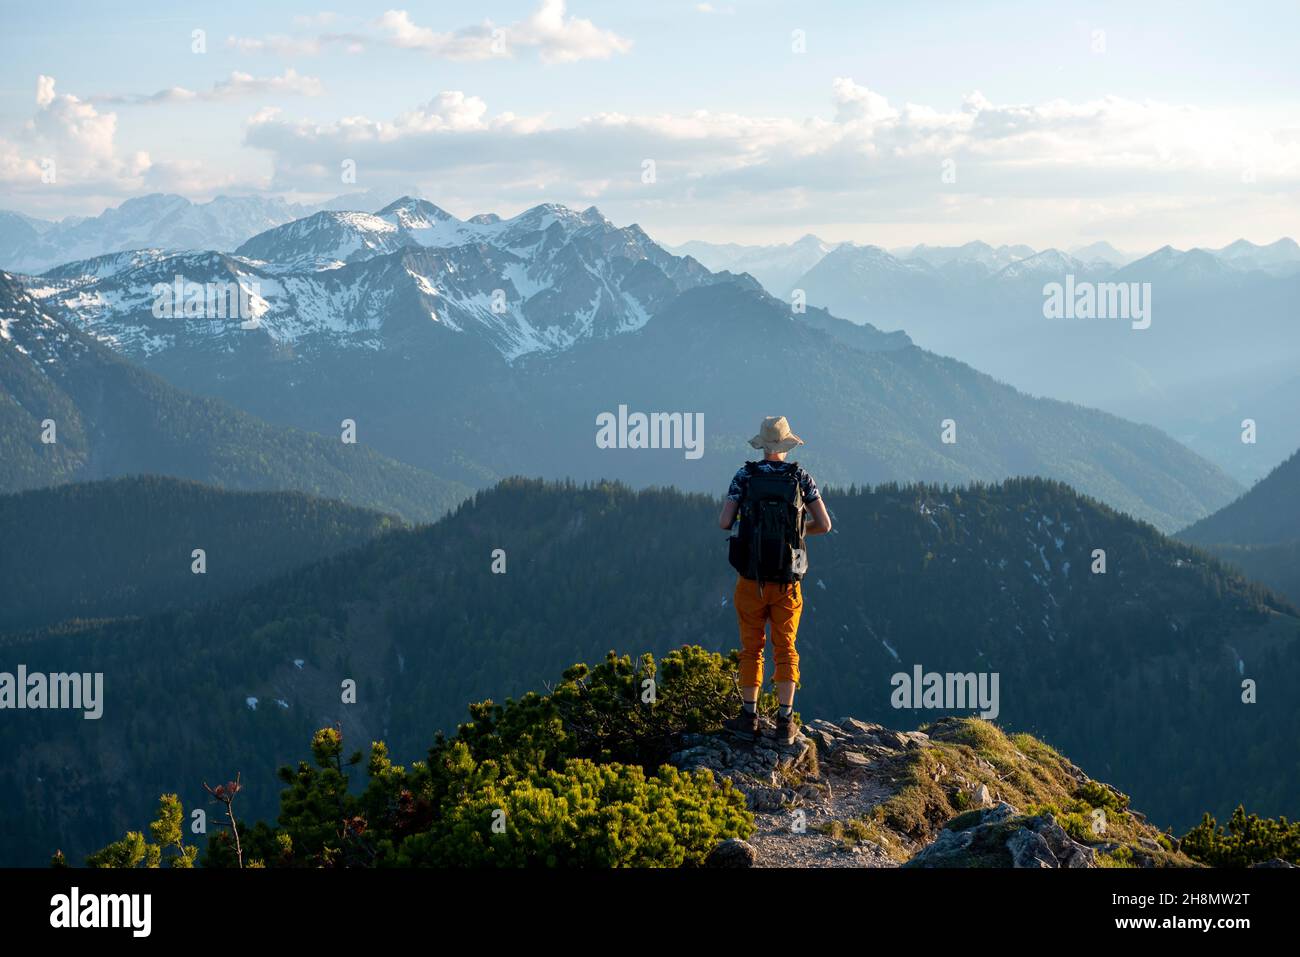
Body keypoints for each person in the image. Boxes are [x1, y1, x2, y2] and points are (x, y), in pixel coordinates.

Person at [717, 416, 832, 744]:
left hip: (751, 579)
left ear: (762, 444)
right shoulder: (801, 478)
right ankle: (784, 722)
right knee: (787, 648)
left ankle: (749, 716)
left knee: (752, 649)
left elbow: (725, 522)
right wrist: (796, 532)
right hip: (787, 579)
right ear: (786, 445)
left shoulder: (745, 476)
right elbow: (824, 524)